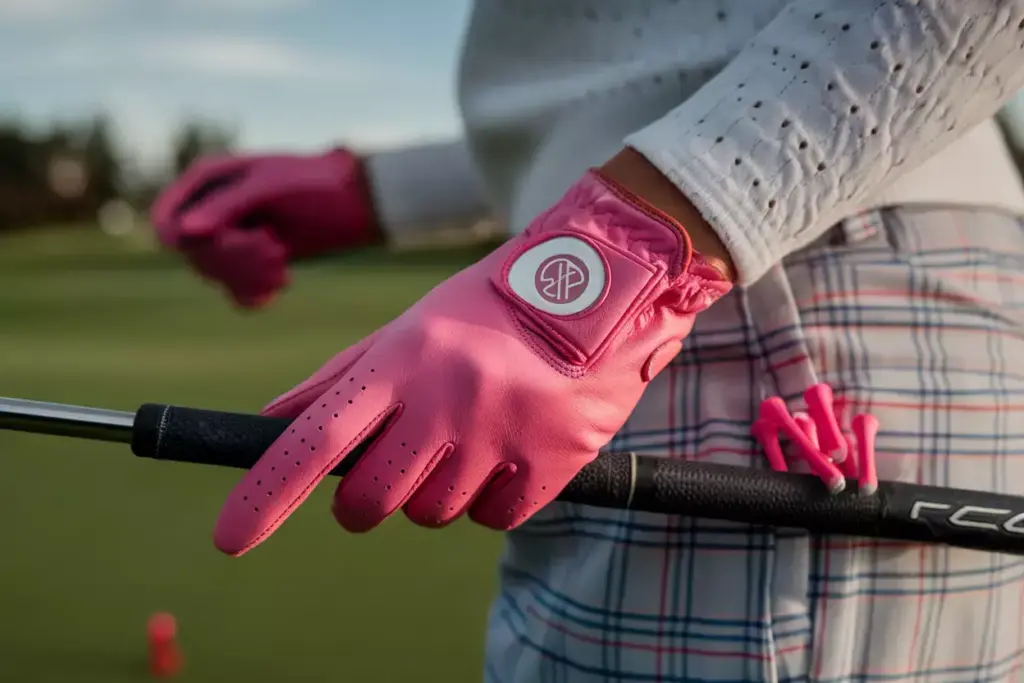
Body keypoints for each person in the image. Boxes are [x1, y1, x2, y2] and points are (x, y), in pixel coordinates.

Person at [150, 2, 1024, 681]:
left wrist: (627, 250)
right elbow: (648, 68)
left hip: (770, 281)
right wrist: (381, 191)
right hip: (751, 268)